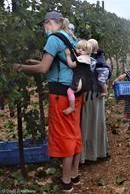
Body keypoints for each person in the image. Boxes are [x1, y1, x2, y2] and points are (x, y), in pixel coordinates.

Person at [13, 11, 82, 192]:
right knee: (74, 133)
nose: (45, 28)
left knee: (65, 136)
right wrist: (34, 62)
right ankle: (75, 175)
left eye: (45, 24)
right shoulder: (70, 37)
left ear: (51, 22)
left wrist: (21, 67)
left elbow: (44, 68)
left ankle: (65, 182)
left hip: (61, 96)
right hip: (74, 93)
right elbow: (59, 64)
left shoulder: (53, 38)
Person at [80, 39, 111, 164]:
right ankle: (93, 153)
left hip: (93, 94)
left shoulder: (96, 59)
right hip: (92, 93)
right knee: (92, 122)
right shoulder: (93, 58)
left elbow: (105, 72)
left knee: (90, 122)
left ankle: (91, 154)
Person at [63, 39, 92, 115]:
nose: (80, 51)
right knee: (82, 91)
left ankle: (72, 107)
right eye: (78, 48)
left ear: (88, 52)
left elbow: (71, 64)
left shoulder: (80, 60)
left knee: (70, 91)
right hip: (86, 82)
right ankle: (84, 100)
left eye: (83, 50)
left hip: (79, 80)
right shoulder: (87, 59)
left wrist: (68, 55)